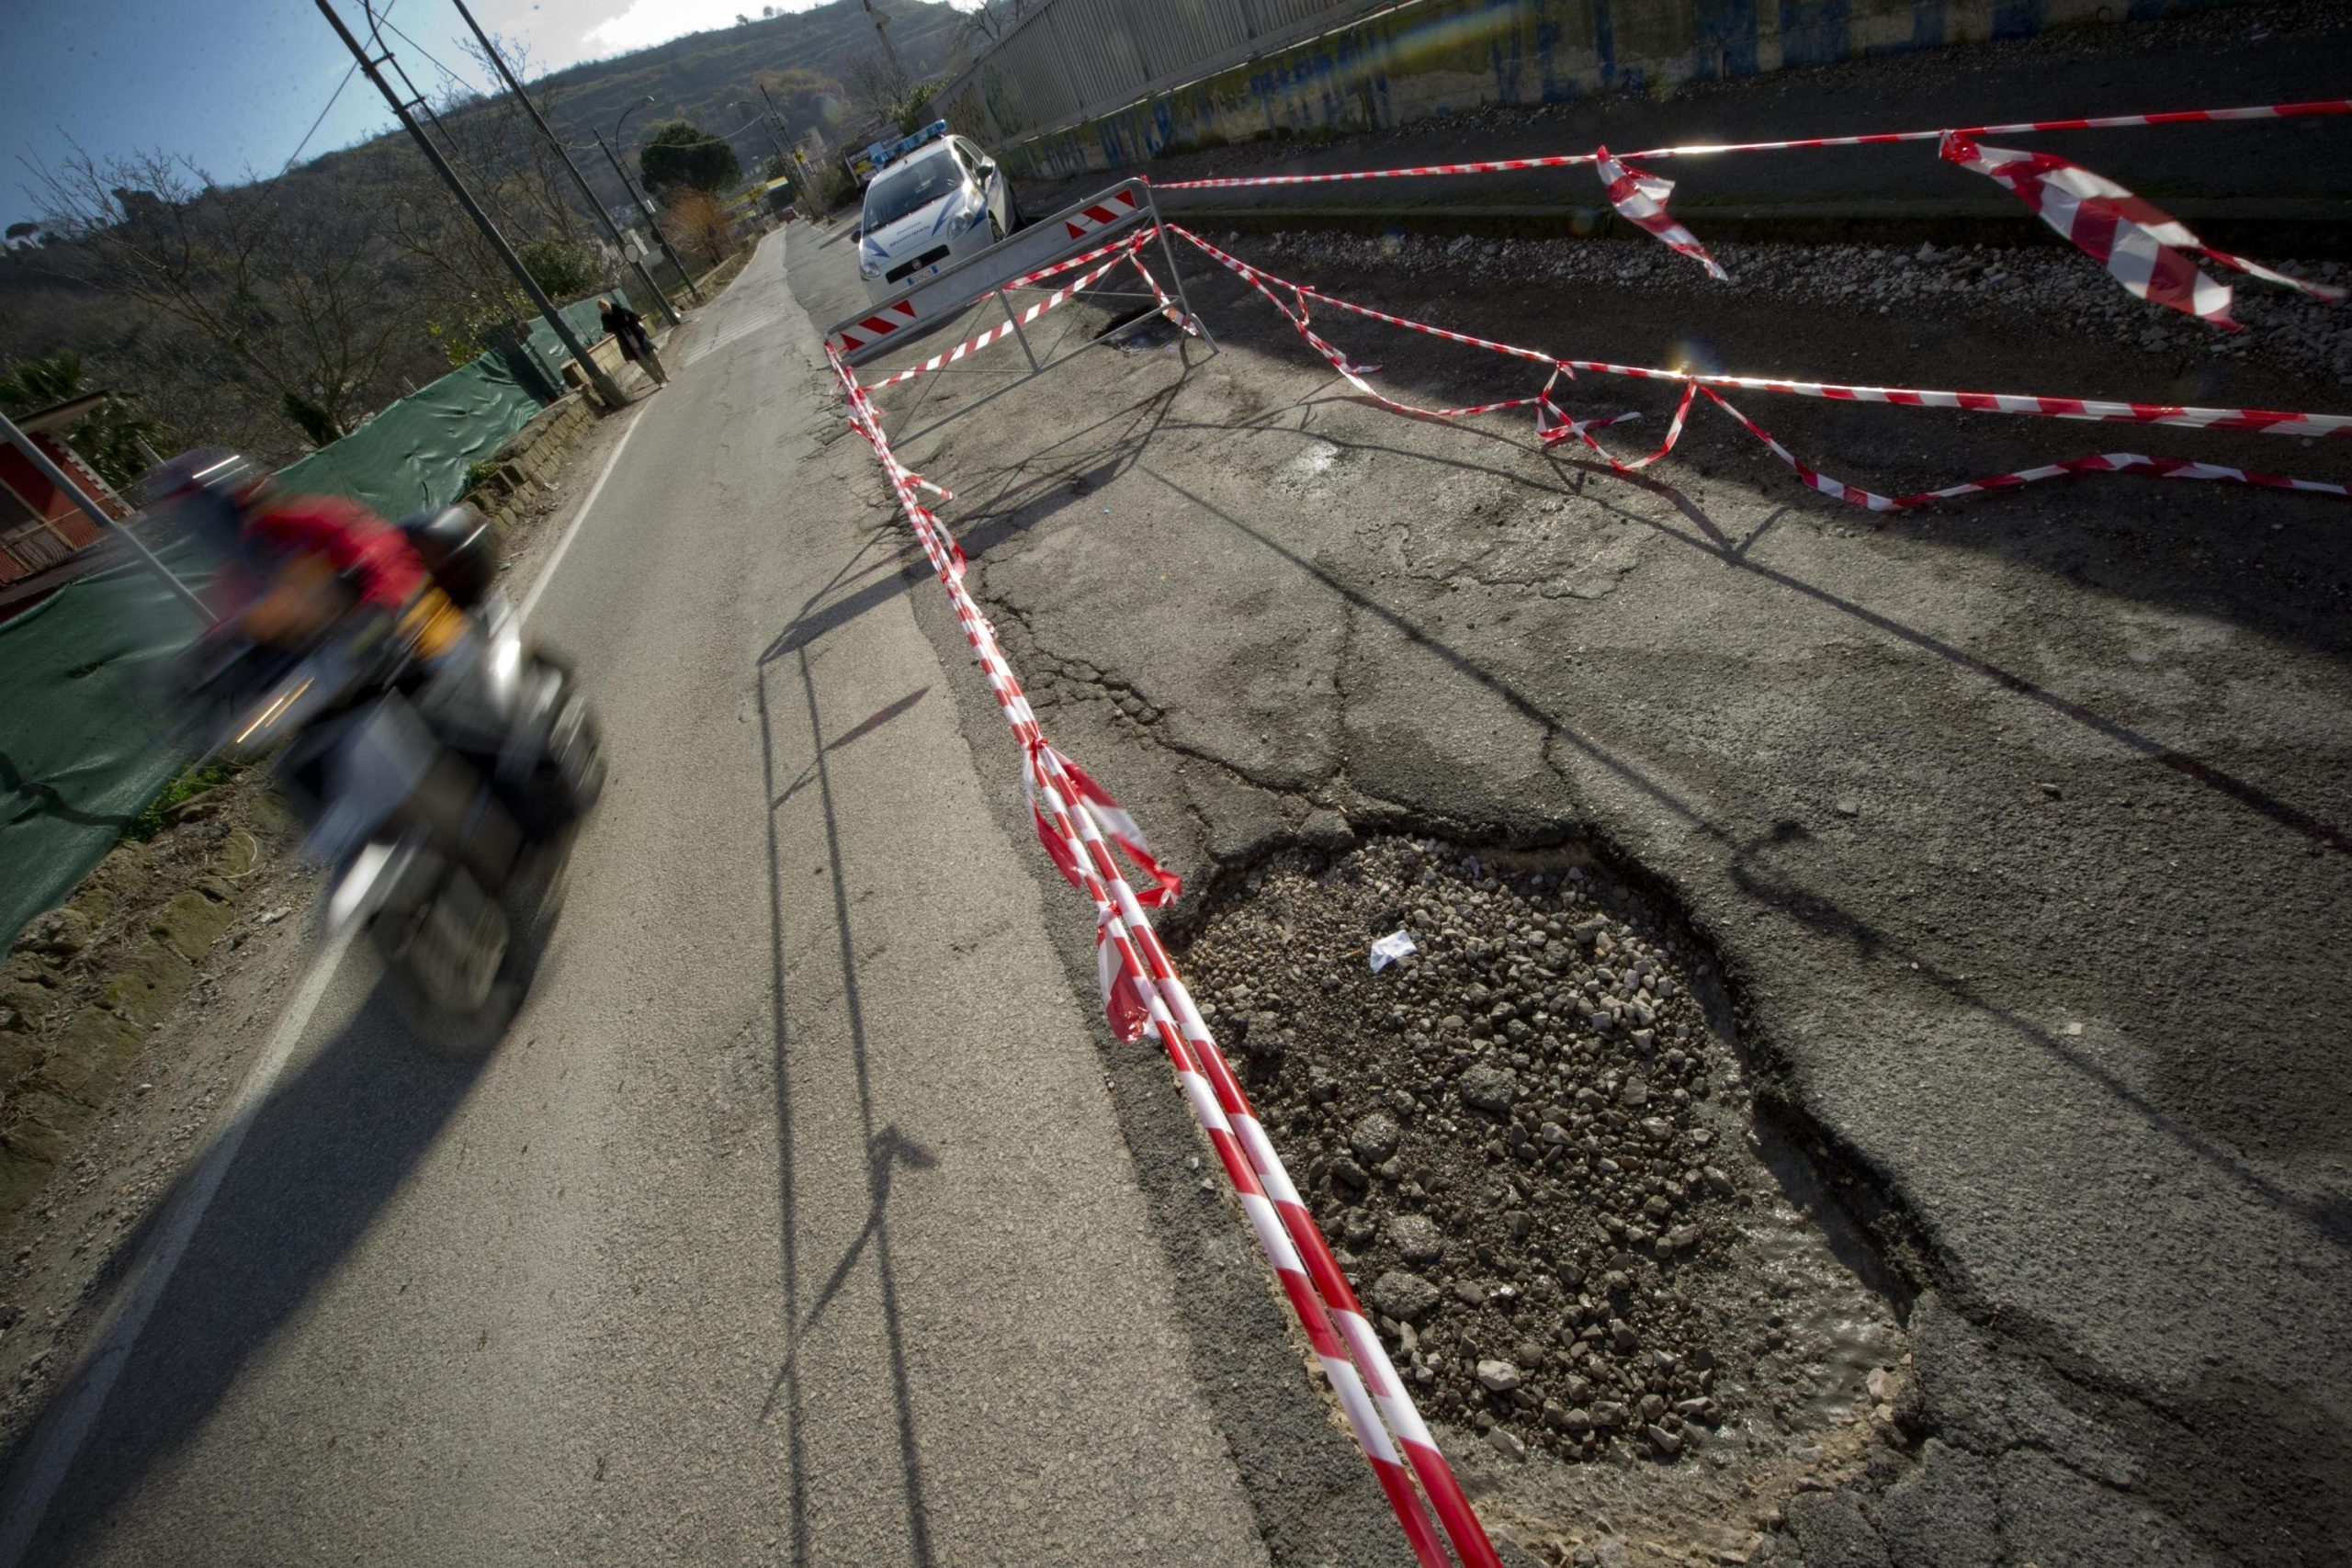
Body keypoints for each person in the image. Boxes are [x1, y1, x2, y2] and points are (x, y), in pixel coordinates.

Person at [598, 296, 666, 388]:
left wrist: (629, 319)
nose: (604, 308)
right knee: (646, 365)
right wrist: (608, 320)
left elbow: (637, 317)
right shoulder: (605, 318)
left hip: (639, 338)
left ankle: (664, 375)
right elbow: (607, 329)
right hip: (628, 344)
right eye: (601, 307)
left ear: (608, 303)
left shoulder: (620, 310)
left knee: (654, 359)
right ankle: (659, 381)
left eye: (604, 305)